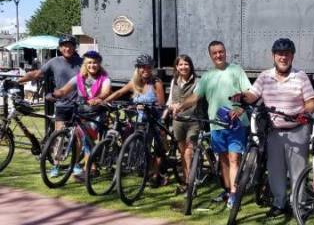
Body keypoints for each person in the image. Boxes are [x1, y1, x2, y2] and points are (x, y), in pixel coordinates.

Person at [235, 38, 314, 217]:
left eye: (287, 54)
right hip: (274, 132)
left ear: (292, 56)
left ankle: (299, 206)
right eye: (280, 54)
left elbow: (311, 102)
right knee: (275, 171)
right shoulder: (265, 77)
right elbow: (252, 95)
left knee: (298, 171)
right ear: (273, 56)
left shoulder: (300, 76)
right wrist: (242, 97)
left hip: (297, 129)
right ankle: (279, 204)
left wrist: (304, 113)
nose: (283, 57)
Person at [172, 41, 251, 208]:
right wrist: (181, 105)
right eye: (214, 53)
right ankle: (229, 190)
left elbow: (248, 92)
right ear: (210, 55)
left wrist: (242, 107)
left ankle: (235, 195)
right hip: (216, 124)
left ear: (225, 52)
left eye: (221, 52)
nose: (218, 55)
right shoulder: (207, 76)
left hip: (236, 123)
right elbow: (195, 97)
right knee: (223, 159)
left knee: (234, 158)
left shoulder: (236, 70)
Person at [18, 34, 83, 177]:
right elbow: (37, 74)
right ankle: (56, 165)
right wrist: (20, 80)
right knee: (58, 137)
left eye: (70, 45)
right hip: (62, 104)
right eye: (64, 45)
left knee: (78, 137)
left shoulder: (82, 62)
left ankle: (76, 164)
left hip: (79, 105)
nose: (68, 48)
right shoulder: (53, 62)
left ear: (74, 47)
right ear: (60, 48)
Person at [105, 54, 166, 186]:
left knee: (157, 149)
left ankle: (156, 174)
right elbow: (119, 93)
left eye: (149, 67)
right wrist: (104, 101)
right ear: (138, 68)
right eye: (142, 67)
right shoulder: (134, 83)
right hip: (140, 121)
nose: (146, 70)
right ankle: (146, 168)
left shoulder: (156, 83)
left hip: (154, 120)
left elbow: (161, 104)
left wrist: (148, 107)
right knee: (142, 147)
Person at [51, 51, 111, 179]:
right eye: (89, 62)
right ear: (85, 64)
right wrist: (55, 94)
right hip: (81, 113)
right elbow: (64, 90)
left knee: (87, 140)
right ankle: (82, 166)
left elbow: (106, 92)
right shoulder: (78, 78)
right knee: (78, 140)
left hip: (96, 114)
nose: (92, 65)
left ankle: (88, 169)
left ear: (99, 64)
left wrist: (98, 98)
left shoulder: (104, 79)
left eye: (95, 63)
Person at [165, 55, 201, 192]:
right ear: (176, 67)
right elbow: (169, 102)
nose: (183, 67)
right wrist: (171, 107)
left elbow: (197, 99)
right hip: (178, 121)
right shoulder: (174, 81)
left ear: (190, 66)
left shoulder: (198, 82)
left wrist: (180, 106)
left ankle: (191, 183)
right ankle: (187, 182)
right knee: (182, 151)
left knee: (188, 153)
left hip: (193, 121)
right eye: (180, 64)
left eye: (186, 64)